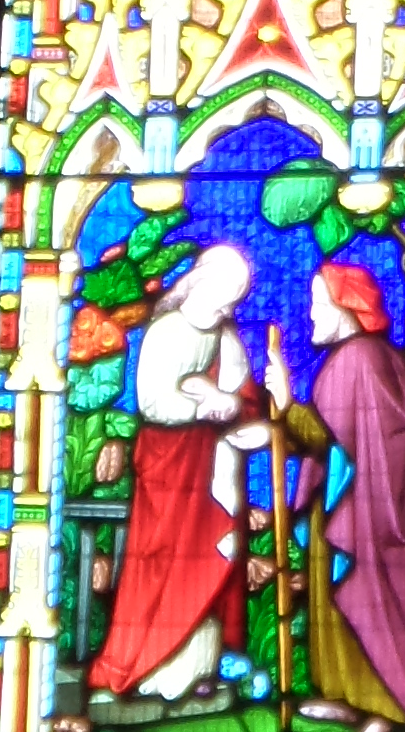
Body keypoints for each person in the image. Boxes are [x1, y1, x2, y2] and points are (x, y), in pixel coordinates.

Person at [90, 241, 272, 707]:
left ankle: (197, 672)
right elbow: (152, 402)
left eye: (237, 297)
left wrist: (231, 404)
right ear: (199, 282)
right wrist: (201, 405)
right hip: (168, 467)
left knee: (210, 563)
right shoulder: (166, 331)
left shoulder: (227, 340)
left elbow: (245, 399)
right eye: (224, 293)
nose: (229, 305)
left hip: (214, 471)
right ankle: (148, 671)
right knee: (159, 565)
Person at [279, 262, 405, 732]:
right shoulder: (366, 358)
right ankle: (346, 696)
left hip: (364, 513)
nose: (312, 316)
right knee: (336, 597)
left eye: (319, 306)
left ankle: (385, 708)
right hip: (346, 503)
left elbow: (325, 436)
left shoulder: (356, 361)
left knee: (367, 601)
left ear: (348, 309)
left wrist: (284, 401)